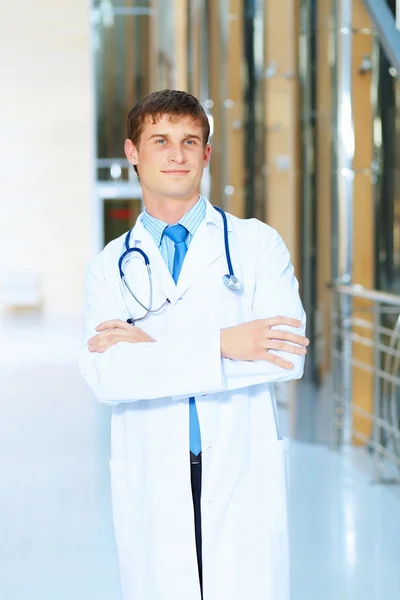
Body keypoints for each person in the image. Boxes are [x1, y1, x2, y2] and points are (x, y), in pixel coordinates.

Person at [79, 89, 308, 600]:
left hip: (241, 465)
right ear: (133, 152)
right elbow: (109, 377)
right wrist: (228, 343)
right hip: (152, 468)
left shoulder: (255, 245)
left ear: (206, 154)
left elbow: (286, 354)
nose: (176, 154)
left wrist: (151, 347)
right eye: (160, 140)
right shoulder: (107, 267)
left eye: (190, 141)